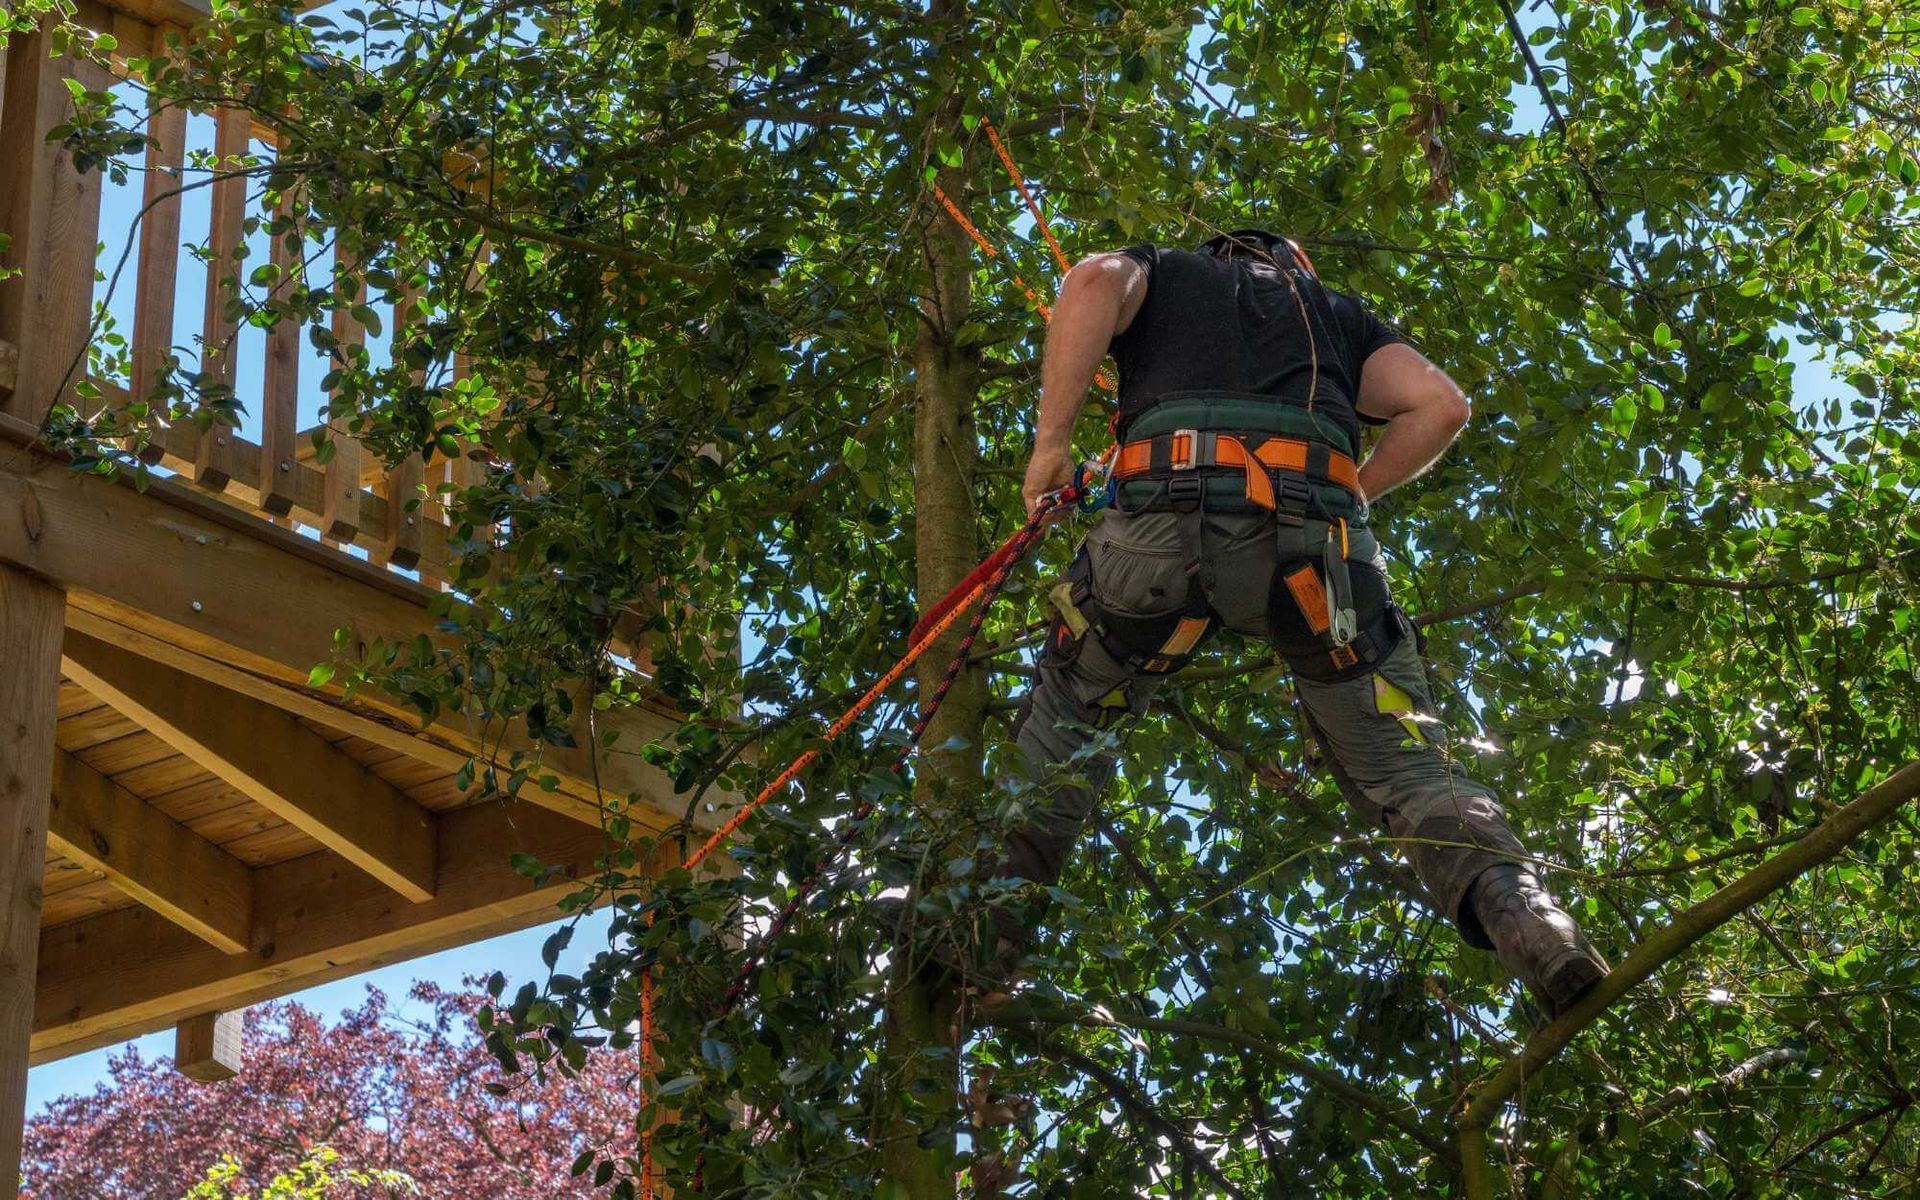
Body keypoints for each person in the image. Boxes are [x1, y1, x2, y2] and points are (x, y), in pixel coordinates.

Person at [988, 229, 1609, 1017]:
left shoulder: (1166, 272)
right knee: (1411, 767)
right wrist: (1345, 500)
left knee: (1069, 718)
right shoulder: (1336, 317)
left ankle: (979, 936)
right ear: (1295, 268)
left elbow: (1089, 283)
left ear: (1220, 256)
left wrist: (1049, 450)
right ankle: (1527, 915)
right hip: (1318, 557)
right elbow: (1442, 407)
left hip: (1155, 535)